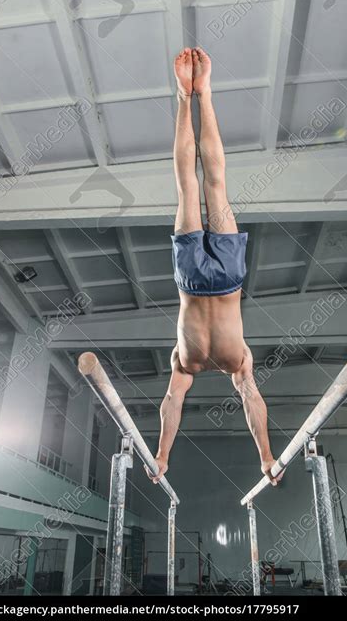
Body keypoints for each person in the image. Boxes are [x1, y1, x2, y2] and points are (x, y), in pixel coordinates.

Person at [147, 48, 282, 488]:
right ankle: (196, 95)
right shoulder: (212, 364)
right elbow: (248, 404)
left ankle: (191, 96)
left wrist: (163, 453)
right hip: (208, 277)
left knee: (196, 184)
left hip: (217, 278)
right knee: (199, 184)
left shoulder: (190, 366)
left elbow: (173, 404)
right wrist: (265, 456)